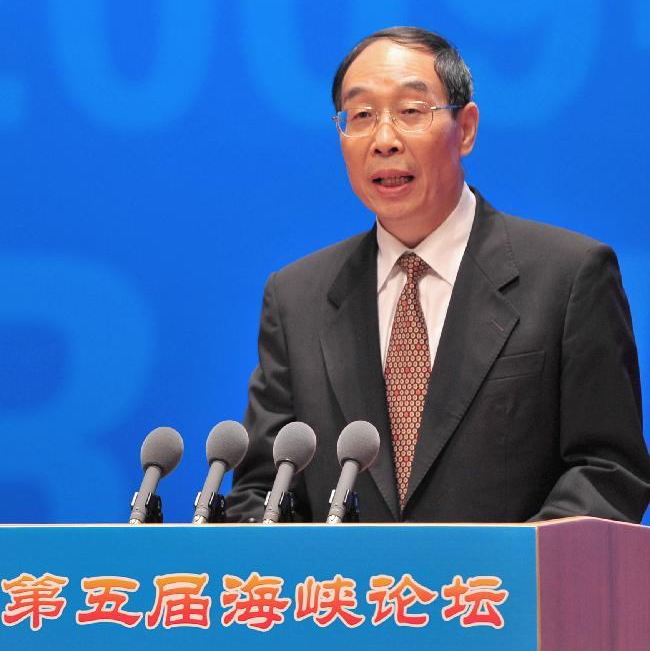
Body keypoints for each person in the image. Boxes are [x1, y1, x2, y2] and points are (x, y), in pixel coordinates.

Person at [226, 26, 650, 523]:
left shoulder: (570, 276)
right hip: (348, 599)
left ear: (465, 128)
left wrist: (505, 577)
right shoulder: (296, 297)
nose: (384, 140)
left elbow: (606, 471)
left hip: (496, 598)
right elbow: (262, 489)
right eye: (361, 116)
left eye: (411, 112)